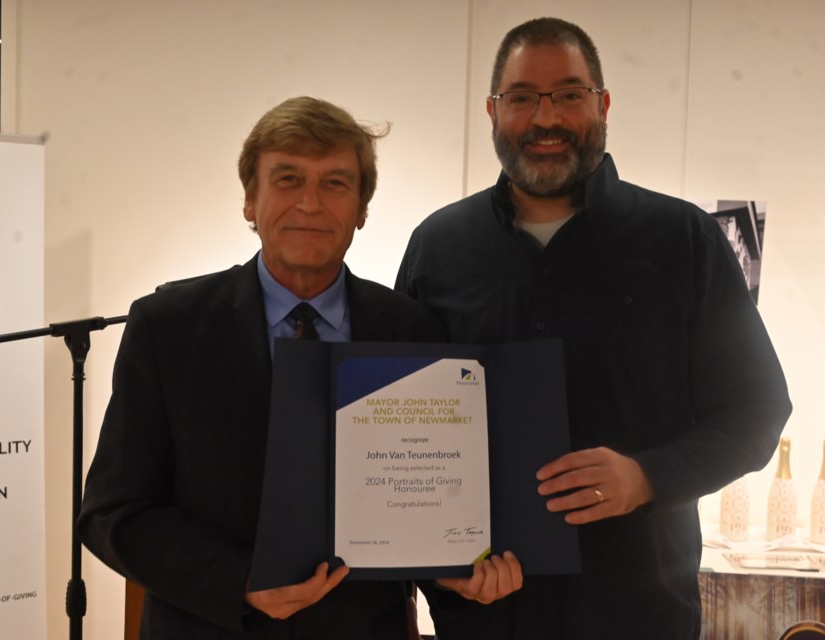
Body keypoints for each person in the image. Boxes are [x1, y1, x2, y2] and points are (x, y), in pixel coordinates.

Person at [396, 17, 793, 640]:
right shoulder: (438, 247)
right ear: (493, 111)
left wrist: (646, 476)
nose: (544, 118)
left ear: (603, 104)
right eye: (523, 97)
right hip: (486, 615)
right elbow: (401, 420)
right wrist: (438, 568)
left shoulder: (684, 240)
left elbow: (756, 410)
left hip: (637, 613)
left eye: (569, 95)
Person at [77, 97, 516, 640]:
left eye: (335, 183)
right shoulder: (167, 327)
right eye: (287, 179)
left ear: (361, 209)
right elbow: (113, 513)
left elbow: (417, 505)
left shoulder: (412, 330)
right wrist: (240, 581)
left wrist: (457, 573)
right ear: (249, 200)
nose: (310, 204)